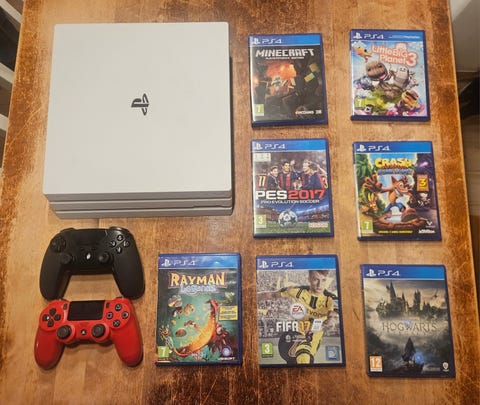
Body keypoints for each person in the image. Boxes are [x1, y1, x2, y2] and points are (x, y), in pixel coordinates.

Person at [257, 270, 337, 364]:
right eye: (316, 279)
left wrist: (321, 326)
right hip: (296, 335)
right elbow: (272, 294)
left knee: (299, 362)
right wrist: (249, 297)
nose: (320, 285)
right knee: (299, 359)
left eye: (323, 280)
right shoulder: (298, 291)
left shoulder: (331, 299)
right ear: (309, 279)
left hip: (313, 340)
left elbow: (333, 319)